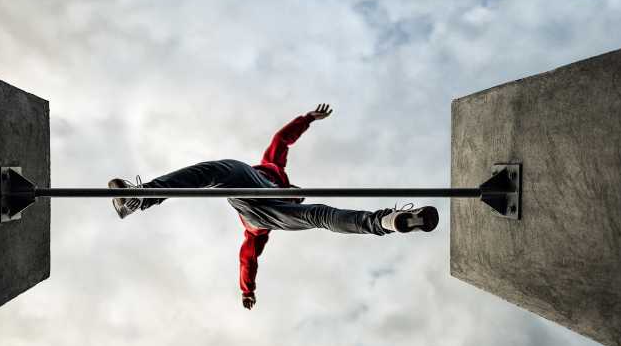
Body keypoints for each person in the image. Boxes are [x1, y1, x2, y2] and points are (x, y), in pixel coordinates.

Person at [108, 104, 439, 310]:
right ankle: (142, 196)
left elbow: (247, 259)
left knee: (318, 214)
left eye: (296, 194)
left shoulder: (261, 230)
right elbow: (282, 140)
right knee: (224, 172)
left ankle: (393, 220)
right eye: (297, 191)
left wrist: (246, 289)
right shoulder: (275, 169)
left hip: (261, 213)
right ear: (293, 186)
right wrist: (307, 119)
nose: (297, 192)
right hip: (253, 187)